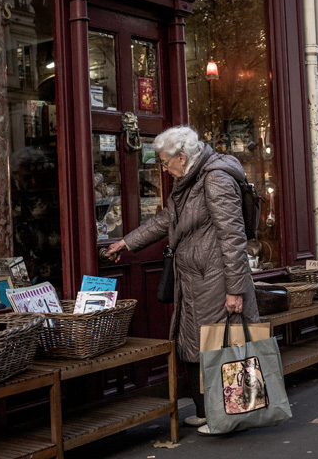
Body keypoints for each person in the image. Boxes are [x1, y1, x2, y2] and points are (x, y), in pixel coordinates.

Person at [106, 125, 259, 435]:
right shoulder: (189, 180)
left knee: (220, 347)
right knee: (194, 345)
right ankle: (207, 413)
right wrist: (127, 243)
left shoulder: (214, 180)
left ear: (181, 156)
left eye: (164, 161)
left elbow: (233, 238)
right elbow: (167, 219)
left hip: (215, 278)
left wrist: (235, 291)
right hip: (193, 279)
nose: (163, 168)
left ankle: (228, 417)